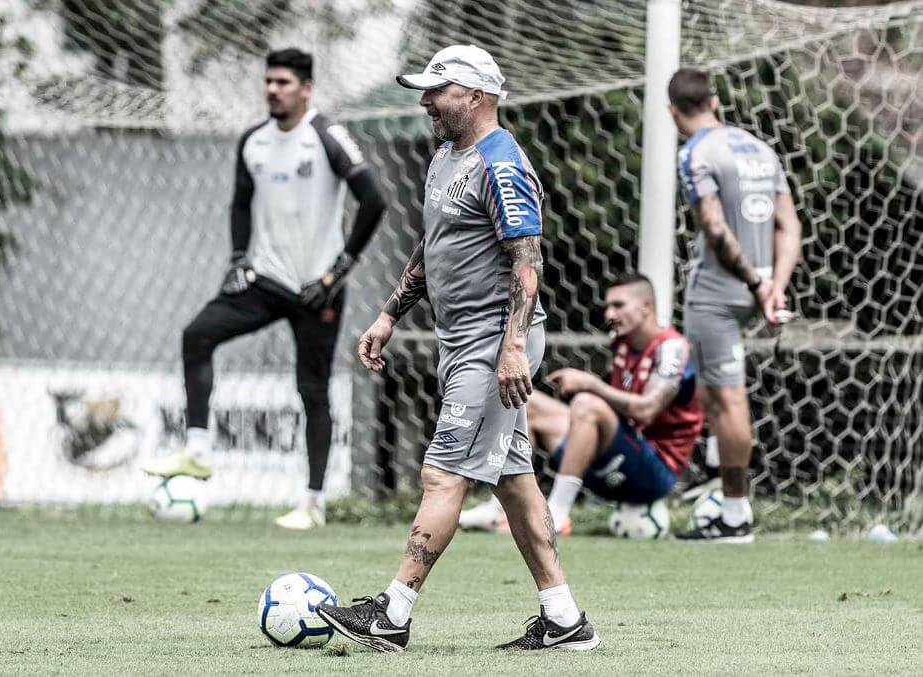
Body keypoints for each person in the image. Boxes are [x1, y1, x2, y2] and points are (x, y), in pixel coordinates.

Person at [316, 45, 600, 653]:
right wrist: (389, 312)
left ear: (474, 95)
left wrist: (513, 348)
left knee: (442, 472)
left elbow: (529, 262)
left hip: (494, 341)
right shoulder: (447, 155)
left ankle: (392, 613)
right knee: (513, 480)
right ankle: (564, 618)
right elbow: (436, 240)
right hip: (463, 338)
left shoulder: (501, 165)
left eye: (436, 91)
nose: (424, 101)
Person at [142, 48, 387, 531]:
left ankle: (313, 505)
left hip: (318, 289)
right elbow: (239, 205)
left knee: (312, 391)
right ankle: (196, 452)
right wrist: (238, 259)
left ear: (306, 88)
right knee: (197, 335)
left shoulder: (327, 137)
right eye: (269, 81)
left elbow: (375, 201)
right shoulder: (252, 142)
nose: (273, 89)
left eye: (284, 82)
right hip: (266, 281)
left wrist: (337, 272)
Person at [459, 274, 704, 537]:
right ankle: (500, 507)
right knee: (524, 400)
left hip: (655, 473)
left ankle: (556, 514)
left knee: (587, 404)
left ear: (646, 306)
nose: (610, 313)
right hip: (618, 456)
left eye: (619, 305)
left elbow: (647, 409)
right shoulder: (622, 345)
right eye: (608, 306)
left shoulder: (671, 348)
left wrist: (590, 384)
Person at [667, 68, 801, 542]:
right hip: (760, 283)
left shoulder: (696, 153)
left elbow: (716, 230)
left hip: (719, 292)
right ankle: (714, 473)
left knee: (728, 399)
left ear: (671, 111)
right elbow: (789, 223)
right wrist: (773, 284)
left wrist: (752, 281)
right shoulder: (759, 148)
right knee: (712, 389)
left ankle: (735, 513)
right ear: (716, 101)